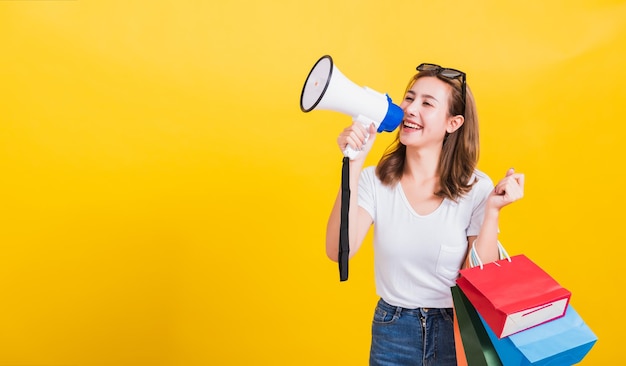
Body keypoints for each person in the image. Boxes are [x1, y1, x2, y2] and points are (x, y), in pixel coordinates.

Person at [325, 63, 525, 366]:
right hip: (393, 330)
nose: (410, 109)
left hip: (457, 331)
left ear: (453, 123)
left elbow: (481, 277)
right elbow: (338, 251)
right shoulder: (374, 181)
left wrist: (492, 212)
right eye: (409, 97)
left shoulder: (476, 187)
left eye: (427, 103)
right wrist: (354, 161)